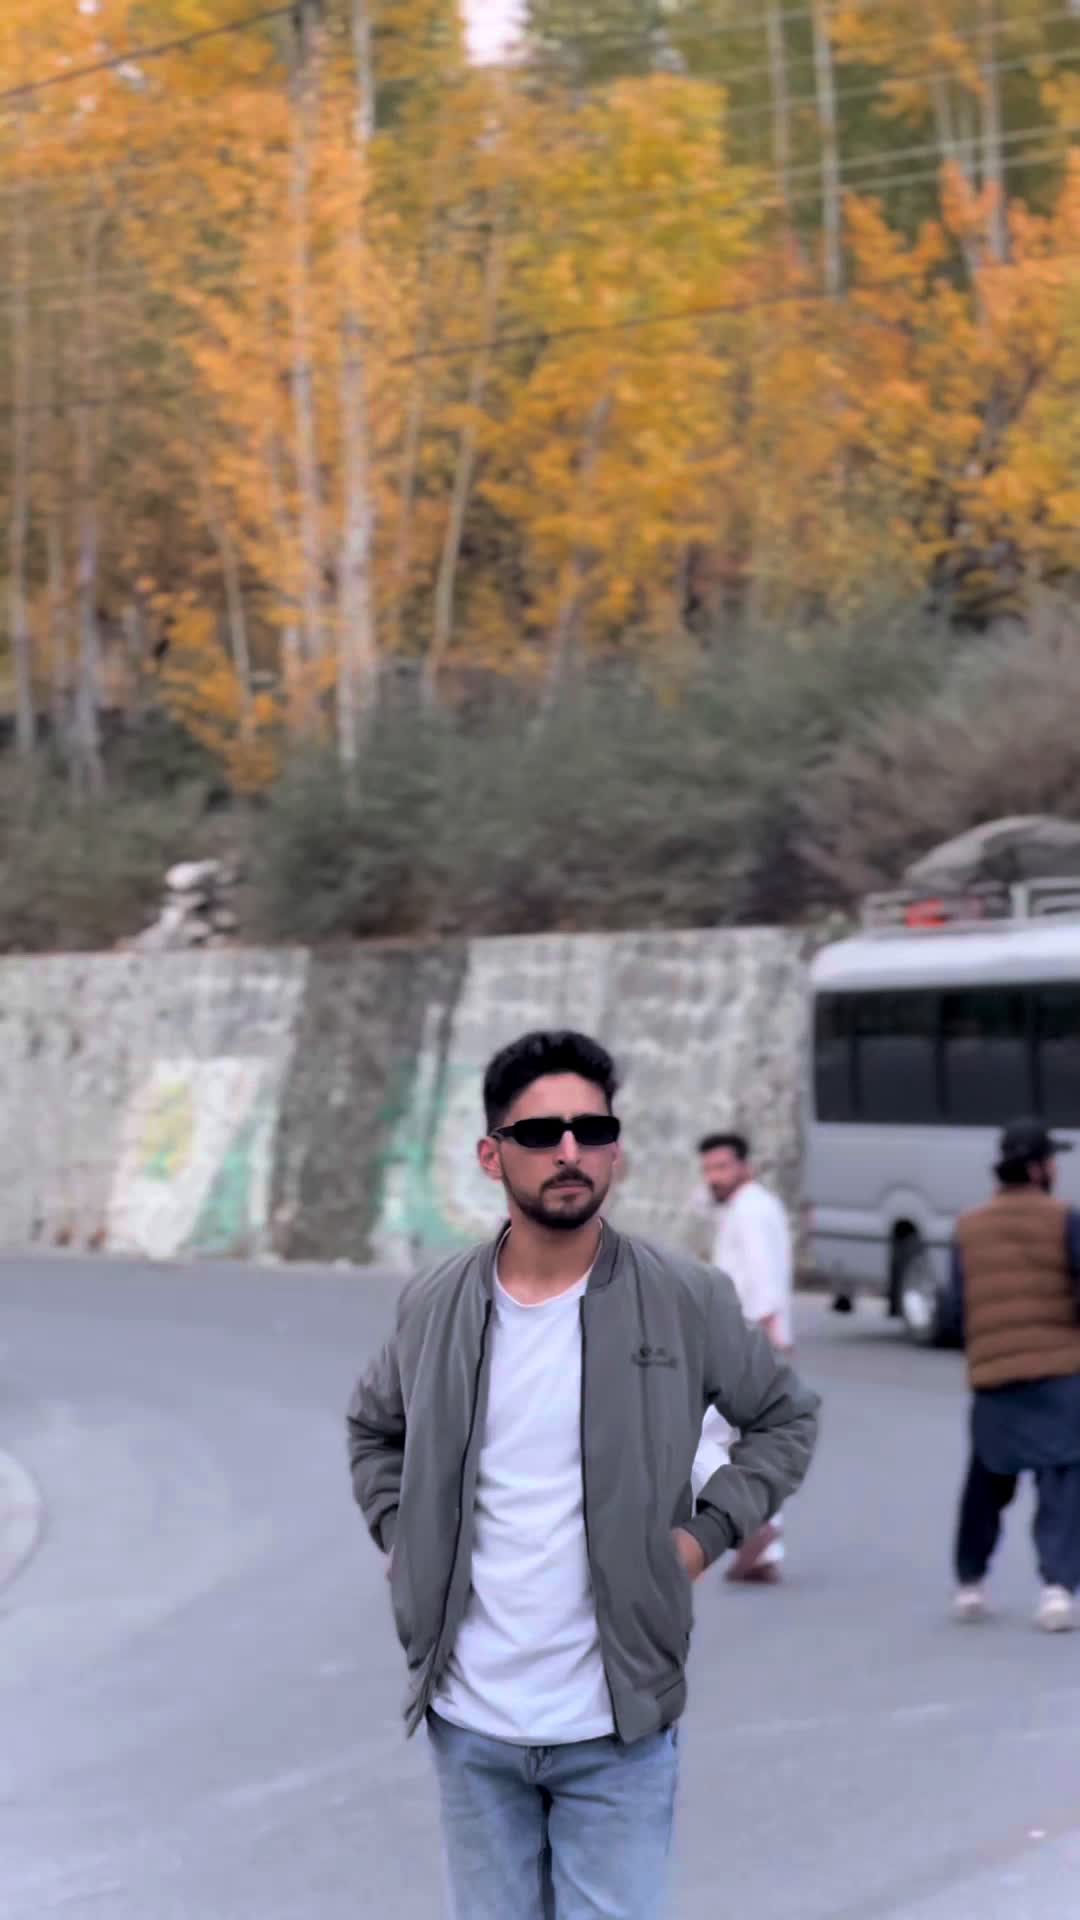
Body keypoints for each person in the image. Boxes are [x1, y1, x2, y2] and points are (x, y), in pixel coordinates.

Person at [347, 1030, 819, 1920]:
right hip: (472, 1725)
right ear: (492, 1156)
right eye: (541, 1133)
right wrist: (401, 1536)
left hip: (615, 1728)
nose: (570, 1151)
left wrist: (702, 1538)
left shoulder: (681, 1296)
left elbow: (784, 1418)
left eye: (592, 1130)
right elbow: (375, 1429)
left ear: (615, 1150)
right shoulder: (437, 1303)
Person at [950, 1117, 1080, 1633]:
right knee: (1063, 1481)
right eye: (1051, 1160)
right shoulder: (1064, 1219)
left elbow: (956, 1307)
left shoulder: (968, 1227)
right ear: (1038, 1169)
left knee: (986, 1481)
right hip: (1059, 1374)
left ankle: (970, 1582)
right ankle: (1056, 1590)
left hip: (993, 1376)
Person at [693, 1131, 795, 1583]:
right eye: (708, 1169)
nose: (713, 1178)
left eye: (721, 1168)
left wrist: (767, 1334)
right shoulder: (752, 1205)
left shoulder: (749, 1212)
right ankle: (766, 1551)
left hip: (744, 1343)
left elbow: (762, 1276)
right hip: (754, 1342)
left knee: (696, 1439)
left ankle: (756, 1526)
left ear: (744, 1166)